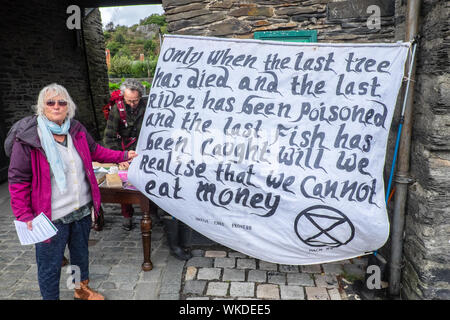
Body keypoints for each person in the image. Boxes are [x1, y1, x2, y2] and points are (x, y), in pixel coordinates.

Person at [6, 83, 137, 300]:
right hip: (50, 216)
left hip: (81, 210)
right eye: (50, 102)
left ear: (69, 106)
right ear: (41, 107)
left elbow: (96, 151)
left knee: (79, 255)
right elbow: (18, 179)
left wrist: (123, 156)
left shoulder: (75, 130)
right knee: (50, 265)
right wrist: (23, 214)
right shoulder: (29, 138)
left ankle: (79, 289)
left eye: (61, 102)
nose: (56, 106)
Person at [103, 79, 145, 230]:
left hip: (143, 149)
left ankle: (151, 211)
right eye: (129, 101)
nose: (133, 104)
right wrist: (119, 158)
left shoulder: (147, 107)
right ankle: (127, 215)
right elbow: (109, 137)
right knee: (125, 184)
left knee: (147, 180)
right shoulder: (117, 109)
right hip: (124, 151)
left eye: (136, 100)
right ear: (123, 97)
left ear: (141, 96)